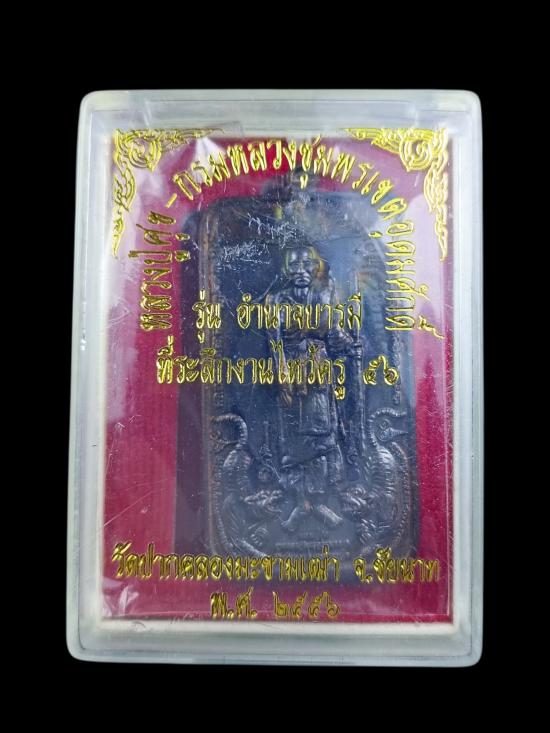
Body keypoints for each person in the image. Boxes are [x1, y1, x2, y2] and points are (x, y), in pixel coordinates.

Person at [265, 244, 356, 532]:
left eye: (307, 264)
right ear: (286, 269)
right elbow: (274, 342)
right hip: (290, 371)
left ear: (315, 267)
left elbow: (334, 334)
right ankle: (299, 502)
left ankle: (319, 502)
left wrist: (346, 340)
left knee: (321, 434)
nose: (301, 271)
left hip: (318, 368)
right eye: (294, 265)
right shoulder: (275, 300)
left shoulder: (325, 294)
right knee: (292, 436)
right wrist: (282, 378)